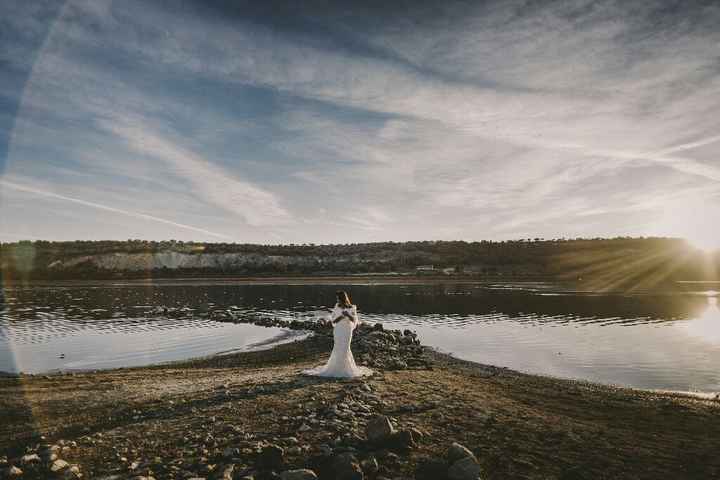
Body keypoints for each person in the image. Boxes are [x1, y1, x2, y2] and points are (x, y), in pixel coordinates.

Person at [302, 290, 373, 378]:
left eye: (338, 298)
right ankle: (336, 368)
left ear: (342, 298)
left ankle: (346, 368)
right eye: (336, 298)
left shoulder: (352, 307)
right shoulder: (337, 307)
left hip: (347, 330)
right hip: (338, 329)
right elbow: (333, 321)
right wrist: (341, 317)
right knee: (338, 347)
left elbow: (354, 321)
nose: (337, 300)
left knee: (345, 347)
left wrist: (348, 315)